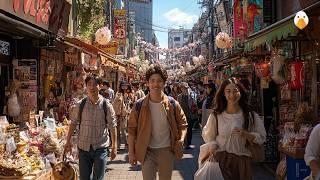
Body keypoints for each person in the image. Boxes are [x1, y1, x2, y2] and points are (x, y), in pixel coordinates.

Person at [128, 65, 188, 180]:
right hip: (147, 151)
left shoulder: (172, 104)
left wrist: (180, 139)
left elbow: (183, 124)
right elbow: (131, 130)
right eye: (152, 81)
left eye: (159, 81)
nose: (156, 84)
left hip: (166, 150)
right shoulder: (139, 105)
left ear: (164, 83)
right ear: (147, 83)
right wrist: (131, 153)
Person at [202, 77, 266, 180]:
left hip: (242, 163)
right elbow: (209, 135)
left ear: (240, 92)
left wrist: (247, 135)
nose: (232, 95)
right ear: (223, 93)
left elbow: (262, 137)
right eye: (228, 91)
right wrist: (213, 145)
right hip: (220, 161)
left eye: (235, 91)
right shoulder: (216, 115)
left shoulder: (250, 116)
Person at [64, 75, 117, 180]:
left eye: (95, 84)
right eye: (89, 85)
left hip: (101, 147)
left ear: (100, 86)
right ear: (86, 87)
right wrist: (67, 141)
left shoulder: (106, 105)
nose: (92, 87)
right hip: (84, 147)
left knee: (98, 178)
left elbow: (112, 125)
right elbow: (73, 123)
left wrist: (114, 146)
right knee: (84, 177)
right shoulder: (81, 104)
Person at [177, 82, 198, 149]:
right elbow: (178, 106)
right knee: (183, 129)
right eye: (183, 88)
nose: (185, 89)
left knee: (189, 130)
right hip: (183, 116)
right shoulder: (179, 96)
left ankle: (188, 143)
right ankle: (185, 142)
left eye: (186, 88)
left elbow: (195, 102)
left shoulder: (192, 94)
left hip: (190, 115)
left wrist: (191, 95)